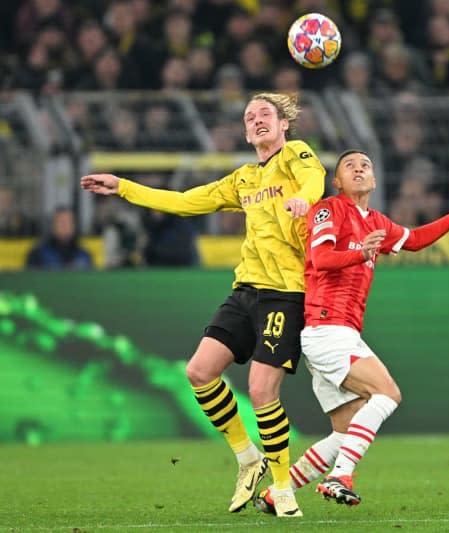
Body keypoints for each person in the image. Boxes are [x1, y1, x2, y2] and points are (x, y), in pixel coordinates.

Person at [80, 92, 325, 518]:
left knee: (262, 390)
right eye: (250, 117)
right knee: (198, 372)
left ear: (283, 124)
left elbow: (315, 179)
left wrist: (304, 198)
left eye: (265, 113)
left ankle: (283, 489)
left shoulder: (296, 156)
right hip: (246, 288)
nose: (257, 120)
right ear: (246, 132)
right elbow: (183, 202)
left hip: (287, 292)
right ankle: (248, 458)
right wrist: (123, 188)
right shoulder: (243, 179)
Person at [256, 150, 449, 510]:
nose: (359, 170)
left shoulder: (376, 221)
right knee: (387, 393)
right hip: (328, 327)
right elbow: (321, 260)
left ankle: (276, 494)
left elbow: (417, 240)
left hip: (333, 333)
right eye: (350, 166)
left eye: (366, 166)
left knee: (344, 432)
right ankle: (339, 476)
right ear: (337, 181)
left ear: (374, 180)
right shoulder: (329, 209)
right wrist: (361, 253)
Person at [26, 206, 94, 270]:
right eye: (61, 222)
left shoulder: (84, 256)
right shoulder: (39, 254)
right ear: (53, 225)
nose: (65, 226)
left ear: (74, 226)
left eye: (69, 222)